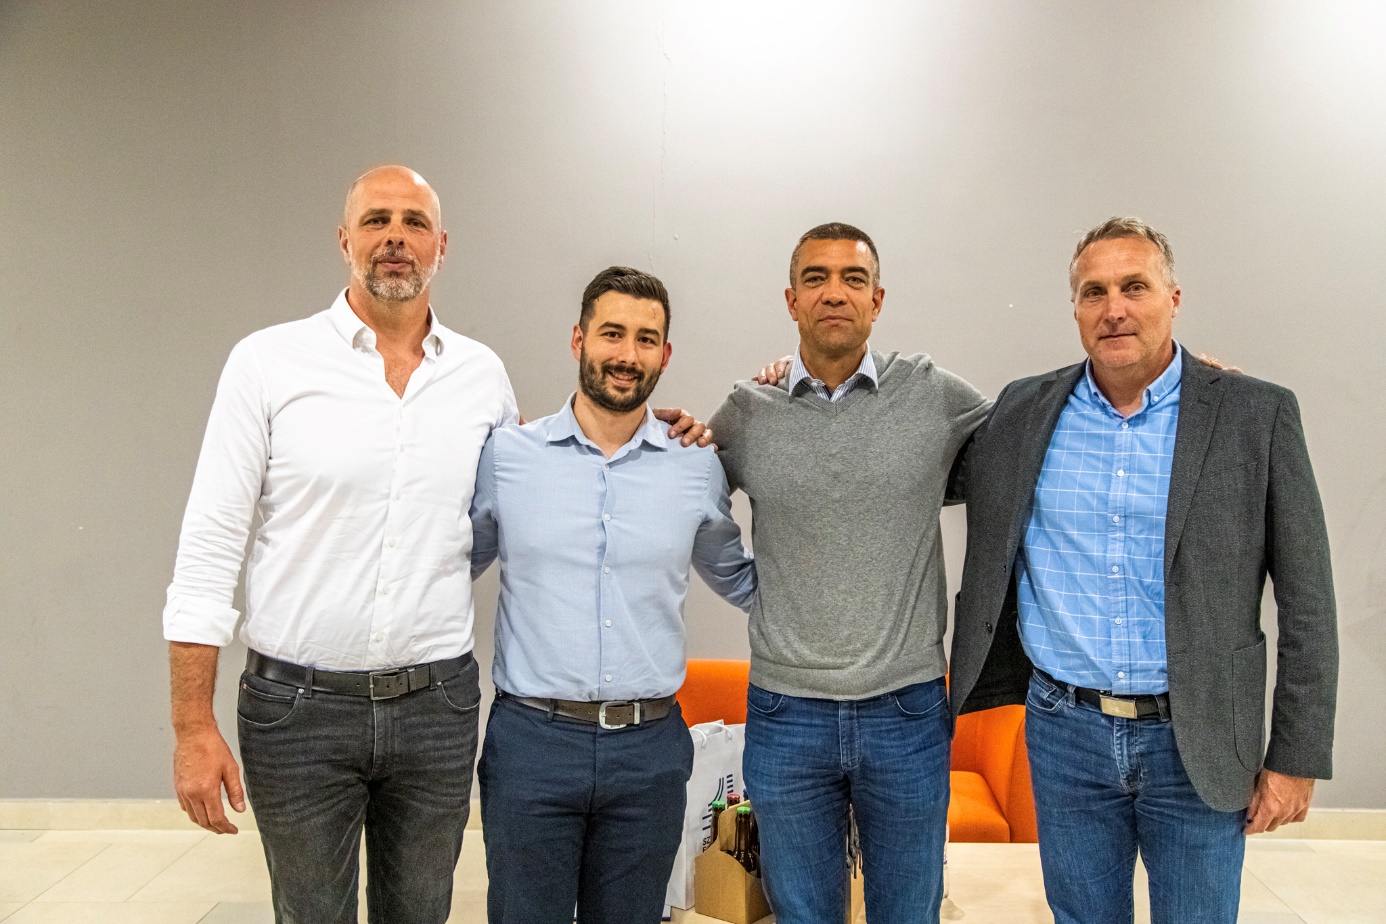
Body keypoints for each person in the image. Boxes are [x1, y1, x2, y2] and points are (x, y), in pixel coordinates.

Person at [163, 166, 707, 923]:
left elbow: (512, 515)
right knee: (311, 913)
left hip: (435, 710)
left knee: (421, 912)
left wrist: (668, 435)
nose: (395, 237)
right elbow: (209, 548)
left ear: (441, 246)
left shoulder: (483, 379)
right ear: (344, 239)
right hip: (297, 711)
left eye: (414, 222)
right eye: (377, 220)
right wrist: (193, 725)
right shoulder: (268, 363)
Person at [948, 217, 1338, 924]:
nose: (1114, 308)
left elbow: (1309, 601)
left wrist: (1295, 756)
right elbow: (914, 459)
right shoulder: (1021, 412)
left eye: (1134, 286)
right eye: (1093, 292)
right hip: (1066, 733)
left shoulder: (1254, 415)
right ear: (1074, 310)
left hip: (1197, 737)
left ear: (1174, 298)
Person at [709, 223, 991, 924]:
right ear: (791, 300)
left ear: (877, 299)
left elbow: (1038, 437)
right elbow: (683, 494)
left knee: (908, 913)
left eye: (852, 279)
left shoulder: (932, 394)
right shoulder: (749, 410)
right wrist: (754, 590)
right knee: (802, 916)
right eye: (816, 278)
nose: (835, 292)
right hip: (785, 711)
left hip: (907, 709)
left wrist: (1188, 384)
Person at [469, 266, 757, 924]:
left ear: (666, 353)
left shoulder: (695, 467)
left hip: (648, 750)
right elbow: (450, 570)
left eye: (647, 339)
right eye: (612, 334)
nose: (628, 355)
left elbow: (740, 580)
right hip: (533, 744)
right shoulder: (509, 457)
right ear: (578, 339)